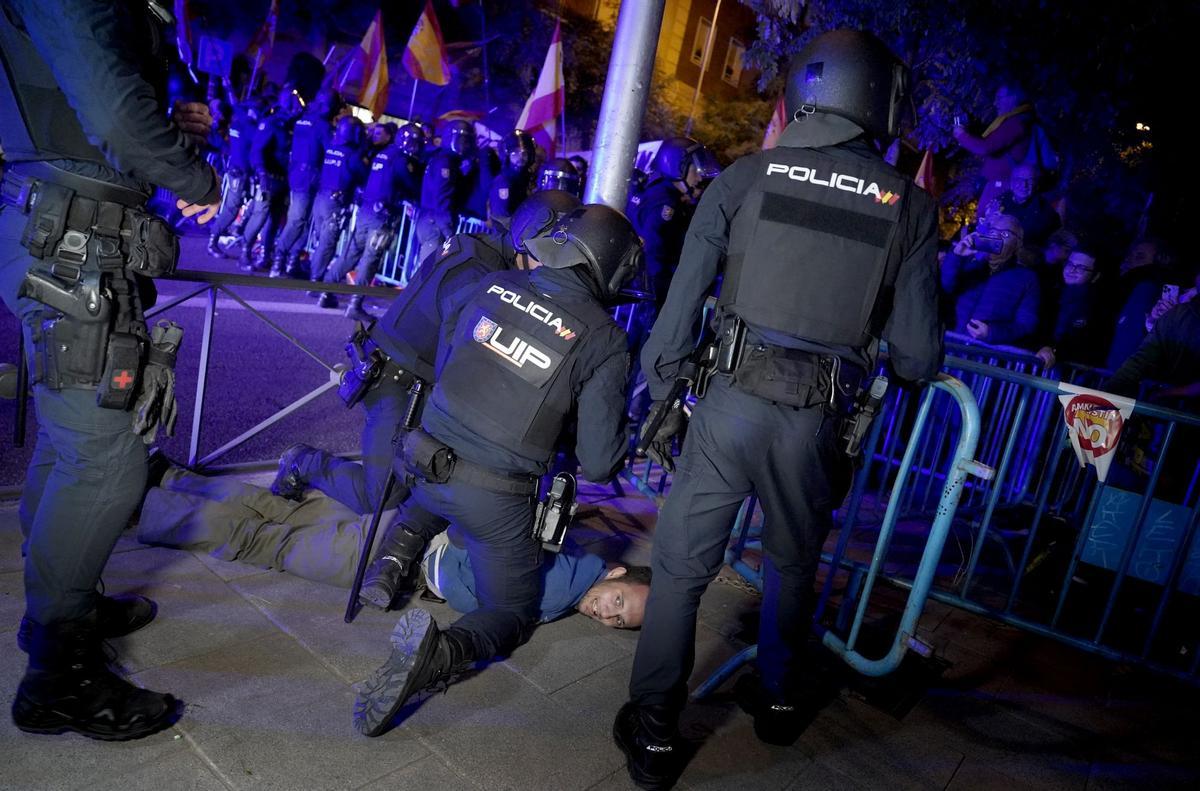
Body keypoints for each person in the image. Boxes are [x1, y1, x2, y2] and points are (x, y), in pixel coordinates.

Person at [615, 30, 943, 789]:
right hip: (815, 423)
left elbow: (675, 318)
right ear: (876, 102)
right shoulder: (911, 209)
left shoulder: (745, 178)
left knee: (680, 570)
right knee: (793, 566)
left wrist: (658, 398)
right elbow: (919, 357)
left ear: (807, 92)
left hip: (728, 404)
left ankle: (657, 735)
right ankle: (777, 702)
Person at [0, 0, 221, 740]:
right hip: (70, 237)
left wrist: (164, 117)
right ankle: (58, 678)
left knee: (76, 445)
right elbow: (111, 113)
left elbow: (89, 92)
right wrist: (192, 174)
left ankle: (63, 605)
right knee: (106, 461)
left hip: (72, 229)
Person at [353, 203, 644, 738]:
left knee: (437, 493)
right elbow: (601, 461)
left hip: (419, 457)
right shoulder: (604, 338)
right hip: (489, 497)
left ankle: (397, 552)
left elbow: (450, 367)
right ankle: (441, 653)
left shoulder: (495, 283)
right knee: (511, 611)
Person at [272, 190, 583, 610]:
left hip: (407, 371)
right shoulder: (482, 274)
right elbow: (466, 351)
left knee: (427, 475)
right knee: (379, 493)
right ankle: (302, 461)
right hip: (399, 382)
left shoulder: (479, 249)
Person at [136, 467, 650, 629]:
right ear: (616, 574)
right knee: (268, 544)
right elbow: (476, 600)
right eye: (619, 602)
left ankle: (170, 478)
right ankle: (144, 509)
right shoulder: (561, 587)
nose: (606, 615)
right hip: (402, 557)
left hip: (406, 525)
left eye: (618, 622)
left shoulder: (572, 554)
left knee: (284, 513)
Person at [325, 121, 425, 322]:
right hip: (383, 217)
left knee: (351, 254)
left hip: (367, 210)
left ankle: (325, 291)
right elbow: (412, 185)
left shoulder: (384, 153)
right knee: (371, 259)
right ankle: (355, 305)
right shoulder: (401, 160)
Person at [626, 137, 720, 310]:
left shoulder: (668, 196)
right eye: (695, 168)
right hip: (650, 290)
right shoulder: (664, 200)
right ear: (677, 165)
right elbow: (654, 249)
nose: (699, 177)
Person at [940, 213, 1041, 347]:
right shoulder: (971, 263)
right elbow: (943, 289)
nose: (996, 237)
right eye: (993, 231)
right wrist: (956, 256)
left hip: (986, 354)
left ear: (1018, 244)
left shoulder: (1027, 278)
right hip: (949, 343)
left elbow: (1025, 325)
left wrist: (991, 333)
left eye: (1005, 234)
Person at [270, 88, 340, 279]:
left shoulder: (303, 119)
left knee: (302, 222)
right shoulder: (322, 125)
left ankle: (291, 262)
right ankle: (279, 262)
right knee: (298, 220)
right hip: (309, 177)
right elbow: (331, 150)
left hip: (299, 175)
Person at [307, 116, 370, 307]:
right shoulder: (353, 155)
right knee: (327, 244)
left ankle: (315, 279)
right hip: (336, 202)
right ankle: (317, 283)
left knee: (322, 243)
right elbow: (364, 176)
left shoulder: (332, 149)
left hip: (321, 198)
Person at [952, 81, 1035, 217]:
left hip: (1001, 186)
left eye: (999, 98)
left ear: (1012, 98)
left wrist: (961, 135)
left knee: (986, 223)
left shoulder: (1015, 123)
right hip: (999, 184)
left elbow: (986, 147)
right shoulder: (1017, 121)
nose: (995, 103)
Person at [238, 88, 298, 272]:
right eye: (289, 100)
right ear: (282, 102)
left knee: (275, 219)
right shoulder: (271, 123)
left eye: (294, 100)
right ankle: (245, 252)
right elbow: (257, 151)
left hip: (284, 180)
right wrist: (261, 173)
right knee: (260, 215)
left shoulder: (293, 126)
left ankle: (265, 255)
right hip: (268, 178)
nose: (293, 103)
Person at [1105, 237, 1173, 371]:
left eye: (1140, 257)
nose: (1130, 261)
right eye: (1130, 256)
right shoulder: (1118, 287)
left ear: (1160, 261)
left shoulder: (1147, 288)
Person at [414, 119, 474, 268]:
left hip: (431, 219)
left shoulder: (445, 159)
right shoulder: (445, 162)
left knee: (428, 269)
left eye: (466, 142)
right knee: (427, 271)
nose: (464, 146)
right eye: (461, 141)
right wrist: (447, 229)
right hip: (435, 222)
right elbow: (442, 196)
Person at [207, 97, 262, 257]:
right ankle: (213, 241)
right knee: (232, 209)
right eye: (257, 110)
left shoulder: (237, 124)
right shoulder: (249, 127)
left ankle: (237, 230)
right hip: (240, 172)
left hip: (237, 171)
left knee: (247, 204)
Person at [1035, 248, 1102, 369]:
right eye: (1070, 264)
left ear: (1095, 276)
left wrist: (1053, 349)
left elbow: (1079, 338)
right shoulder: (1052, 291)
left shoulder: (1092, 305)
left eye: (1081, 268)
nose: (1072, 270)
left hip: (1065, 370)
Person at [994, 162, 1060, 250]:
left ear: (1036, 185)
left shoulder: (1045, 212)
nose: (1024, 185)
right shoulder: (999, 202)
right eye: (1019, 179)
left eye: (1030, 180)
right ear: (1011, 182)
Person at [487, 129, 536, 231]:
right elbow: (501, 218)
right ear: (507, 155)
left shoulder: (527, 179)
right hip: (506, 237)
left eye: (525, 154)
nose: (521, 157)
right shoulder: (503, 182)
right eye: (515, 153)